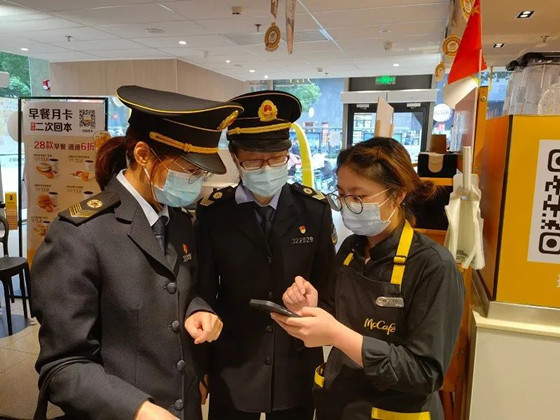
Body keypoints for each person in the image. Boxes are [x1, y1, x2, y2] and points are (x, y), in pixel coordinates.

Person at [31, 85, 244, 420]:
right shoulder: (81, 233)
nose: (196, 182)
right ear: (143, 155)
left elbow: (183, 291)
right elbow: (62, 367)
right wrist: (138, 410)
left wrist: (198, 311)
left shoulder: (180, 221)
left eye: (201, 173)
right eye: (189, 171)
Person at [272, 137, 465, 420]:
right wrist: (310, 307)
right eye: (342, 194)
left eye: (359, 197)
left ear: (397, 195)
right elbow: (335, 311)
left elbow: (423, 374)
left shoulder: (433, 267)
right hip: (339, 404)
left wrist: (338, 335)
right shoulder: (351, 250)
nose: (347, 205)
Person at [195, 90, 337, 420]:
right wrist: (200, 367)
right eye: (255, 161)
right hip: (234, 361)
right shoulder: (214, 213)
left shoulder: (314, 209)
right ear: (235, 158)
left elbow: (329, 290)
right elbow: (203, 293)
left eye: (276, 159)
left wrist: (312, 305)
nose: (267, 168)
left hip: (295, 361)